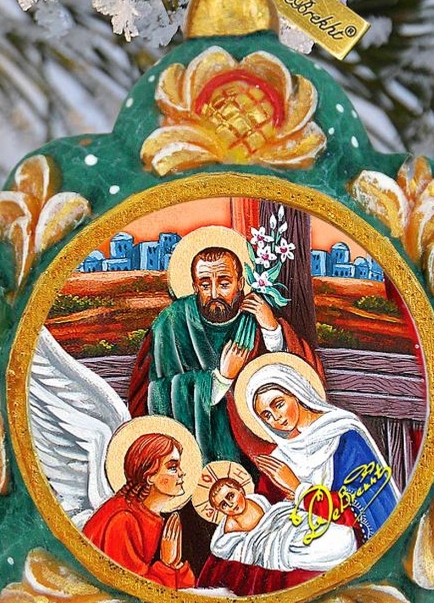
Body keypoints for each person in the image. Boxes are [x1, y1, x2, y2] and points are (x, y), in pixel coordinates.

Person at [127, 240, 322, 573]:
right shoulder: (172, 324)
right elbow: (155, 394)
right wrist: (217, 380)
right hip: (192, 459)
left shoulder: (254, 319)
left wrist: (271, 327)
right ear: (193, 285)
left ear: (241, 283)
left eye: (224, 282)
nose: (214, 292)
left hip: (252, 452)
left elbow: (297, 377)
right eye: (205, 284)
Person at [244, 362, 401, 544]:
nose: (276, 417)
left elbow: (360, 510)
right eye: (266, 416)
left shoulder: (344, 436)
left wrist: (297, 488)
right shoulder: (282, 455)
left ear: (296, 393)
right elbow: (265, 508)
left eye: (278, 404)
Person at [195, 474, 358, 597]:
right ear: (220, 511)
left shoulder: (257, 500)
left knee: (332, 532)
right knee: (318, 548)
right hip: (274, 545)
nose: (230, 504)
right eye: (223, 504)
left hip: (287, 523)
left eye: (230, 496)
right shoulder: (231, 526)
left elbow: (275, 512)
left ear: (240, 489)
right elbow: (246, 548)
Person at [81, 432, 194, 589]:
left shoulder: (146, 515)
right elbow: (132, 590)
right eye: (173, 467)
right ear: (149, 476)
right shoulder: (123, 520)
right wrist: (166, 565)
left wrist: (175, 564)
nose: (182, 473)